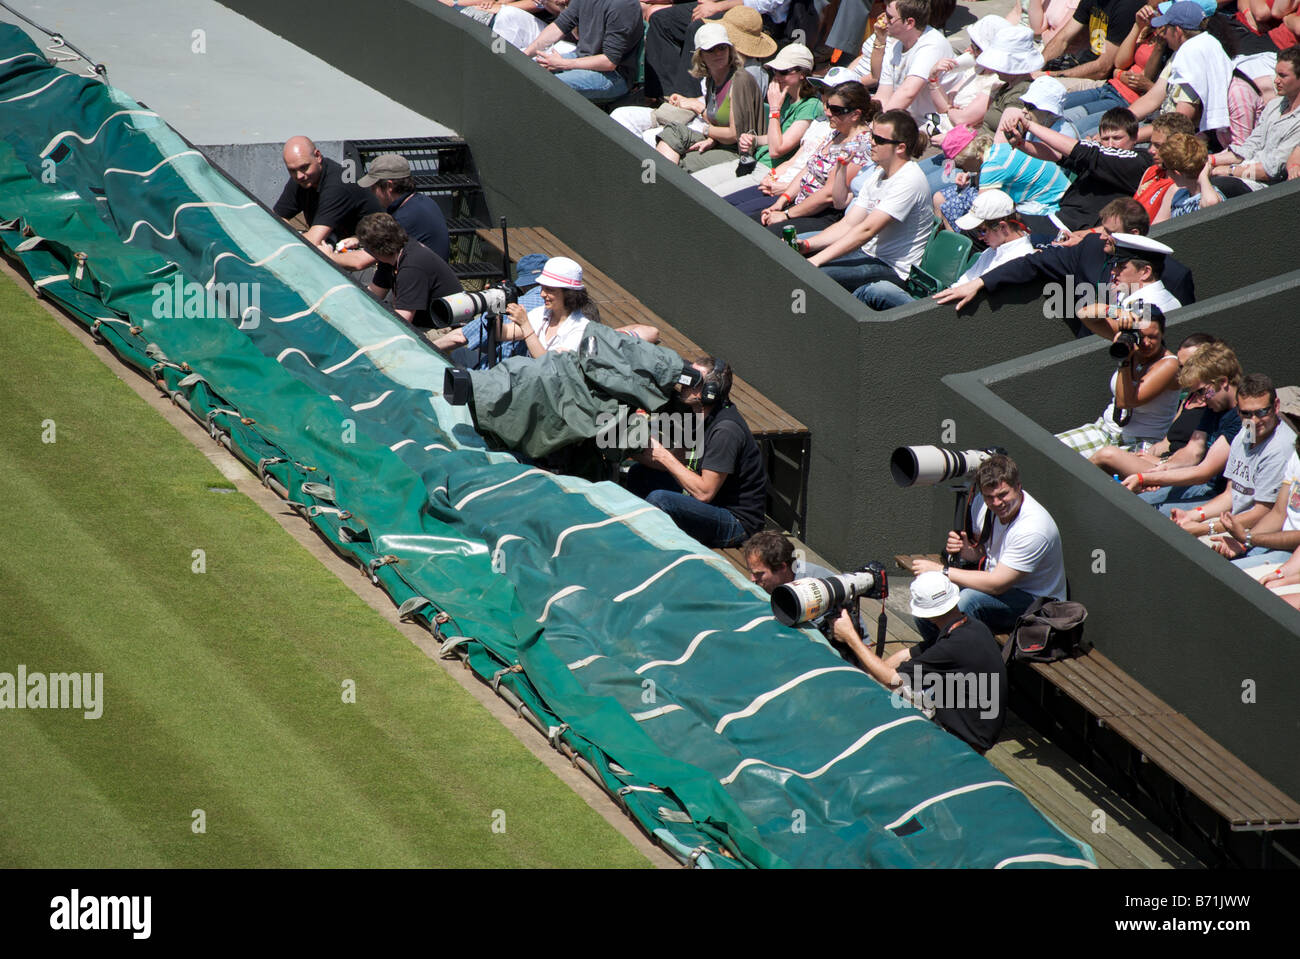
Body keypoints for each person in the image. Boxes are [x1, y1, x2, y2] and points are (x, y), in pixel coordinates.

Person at [831, 571, 1007, 752]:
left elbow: (892, 680)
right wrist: (869, 676)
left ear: (926, 614)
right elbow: (908, 654)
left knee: (880, 709)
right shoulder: (970, 626)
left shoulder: (952, 647)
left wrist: (850, 637)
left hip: (963, 741)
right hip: (979, 729)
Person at [932, 197, 1195, 314]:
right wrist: (980, 282)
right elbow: (1033, 263)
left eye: (1110, 232)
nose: (1101, 235)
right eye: (1103, 229)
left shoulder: (1175, 275)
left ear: (1134, 233)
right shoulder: (1090, 248)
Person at [911, 454, 1068, 640]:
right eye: (989, 497)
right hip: (999, 584)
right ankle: (938, 654)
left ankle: (953, 660)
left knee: (967, 601)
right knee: (929, 597)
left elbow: (996, 585)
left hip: (1037, 602)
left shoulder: (1034, 528)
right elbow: (985, 552)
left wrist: (942, 570)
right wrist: (969, 552)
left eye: (1003, 495)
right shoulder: (982, 504)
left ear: (1018, 487)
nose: (996, 503)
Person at [626, 357, 767, 548]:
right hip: (712, 503)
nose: (683, 383)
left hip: (736, 523)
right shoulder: (699, 415)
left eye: (693, 379)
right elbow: (678, 458)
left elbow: (704, 493)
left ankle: (646, 548)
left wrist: (662, 455)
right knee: (639, 474)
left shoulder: (725, 431)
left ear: (711, 391)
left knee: (661, 500)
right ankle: (633, 532)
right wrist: (630, 449)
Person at [800, 109, 933, 297]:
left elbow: (866, 230)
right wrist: (806, 245)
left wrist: (816, 260)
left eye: (879, 140)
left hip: (891, 268)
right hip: (866, 253)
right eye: (872, 136)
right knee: (791, 248)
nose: (871, 142)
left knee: (814, 274)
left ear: (900, 148)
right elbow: (849, 224)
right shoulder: (879, 173)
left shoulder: (909, 180)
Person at [1165, 374, 1298, 540]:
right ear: (1238, 411)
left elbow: (1262, 513)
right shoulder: (1246, 431)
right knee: (1166, 523)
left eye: (1262, 411)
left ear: (1276, 406)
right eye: (1246, 413)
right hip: (1231, 521)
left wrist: (1204, 528)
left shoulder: (1280, 448)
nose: (1254, 420)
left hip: (1258, 534)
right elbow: (1231, 495)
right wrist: (1192, 515)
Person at [433, 256, 658, 354]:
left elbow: (547, 365)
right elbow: (503, 334)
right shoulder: (543, 313)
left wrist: (526, 326)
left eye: (550, 289)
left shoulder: (580, 328)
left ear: (568, 293)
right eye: (542, 288)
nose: (542, 294)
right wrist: (496, 307)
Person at [1119, 340, 1243, 512]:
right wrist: (1160, 471)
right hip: (1200, 487)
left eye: (1202, 391)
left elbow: (1204, 472)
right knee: (1132, 504)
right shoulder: (1212, 408)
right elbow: (1192, 452)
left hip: (1221, 497)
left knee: (1147, 513)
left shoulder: (1241, 415)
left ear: (1222, 382)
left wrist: (1145, 479)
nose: (1201, 398)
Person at [1056, 294, 1181, 458]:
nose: (1146, 343)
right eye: (1141, 336)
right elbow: (1084, 313)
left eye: (1153, 337)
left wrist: (1125, 361)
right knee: (1050, 449)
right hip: (1105, 430)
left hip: (1140, 443)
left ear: (1162, 335)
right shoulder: (1130, 341)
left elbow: (1126, 402)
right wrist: (1117, 311)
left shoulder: (1169, 364)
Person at [999, 105, 1154, 231]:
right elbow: (1057, 155)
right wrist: (1020, 144)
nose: (1111, 144)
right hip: (1059, 219)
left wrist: (1029, 125)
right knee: (998, 224)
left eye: (1117, 138)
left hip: (1078, 229)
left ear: (1134, 138)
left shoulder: (1138, 160)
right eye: (1105, 138)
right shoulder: (1100, 157)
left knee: (1004, 228)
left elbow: (1080, 151)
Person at [1090, 331, 1219, 478]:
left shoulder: (1214, 401)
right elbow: (1166, 442)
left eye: (1187, 366)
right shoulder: (1191, 397)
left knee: (1107, 455)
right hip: (1162, 460)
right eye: (1181, 366)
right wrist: (1143, 455)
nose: (1181, 373)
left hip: (1175, 469)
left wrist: (1161, 462)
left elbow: (1194, 453)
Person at [757, 81, 877, 233]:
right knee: (748, 222)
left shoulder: (862, 146)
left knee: (765, 235)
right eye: (827, 106)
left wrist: (786, 215)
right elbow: (808, 168)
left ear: (855, 115)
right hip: (797, 204)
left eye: (835, 109)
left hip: (822, 215)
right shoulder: (837, 132)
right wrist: (781, 202)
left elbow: (828, 195)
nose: (827, 112)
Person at [652, 22, 763, 172]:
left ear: (730, 50)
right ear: (701, 56)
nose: (718, 53)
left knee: (685, 162)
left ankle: (661, 184)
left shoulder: (740, 80)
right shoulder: (711, 80)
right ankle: (657, 182)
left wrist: (706, 131)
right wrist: (711, 137)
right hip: (718, 141)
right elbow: (716, 121)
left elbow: (734, 134)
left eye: (722, 48)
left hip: (738, 152)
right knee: (674, 130)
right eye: (710, 50)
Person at [330, 153, 452, 287]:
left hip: (418, 292)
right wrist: (358, 240)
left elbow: (359, 262)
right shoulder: (422, 202)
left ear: (389, 186)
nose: (371, 191)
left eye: (374, 186)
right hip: (422, 281)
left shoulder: (405, 217)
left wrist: (328, 256)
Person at [642, 0, 794, 101]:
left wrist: (717, 6)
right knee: (662, 20)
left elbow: (765, 2)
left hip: (757, 19)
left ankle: (688, 100)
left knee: (699, 28)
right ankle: (664, 97)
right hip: (727, 6)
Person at [742, 531, 864, 647]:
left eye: (759, 574)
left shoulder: (818, 589)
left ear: (782, 567)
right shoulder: (774, 579)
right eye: (751, 572)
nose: (752, 579)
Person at [273, 136, 381, 253]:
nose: (299, 176)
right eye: (292, 170)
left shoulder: (338, 185)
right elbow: (274, 221)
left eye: (304, 167)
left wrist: (284, 241)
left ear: (318, 156)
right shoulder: (302, 179)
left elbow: (313, 241)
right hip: (337, 245)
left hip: (373, 248)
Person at [354, 213, 461, 329]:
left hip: (443, 328)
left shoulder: (411, 266)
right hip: (419, 320)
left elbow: (402, 321)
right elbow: (373, 295)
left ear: (374, 249)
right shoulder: (392, 255)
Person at [521, 0, 643, 103]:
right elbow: (559, 26)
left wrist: (562, 64)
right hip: (580, 59)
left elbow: (609, 62)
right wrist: (526, 55)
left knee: (545, 85)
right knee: (526, 71)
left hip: (615, 77)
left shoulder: (624, 6)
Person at [1210, 47, 1300, 184]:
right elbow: (1248, 148)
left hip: (1263, 186)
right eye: (1276, 74)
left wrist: (1230, 171)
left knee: (1217, 185)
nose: (1276, 81)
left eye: (1283, 75)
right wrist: (1212, 160)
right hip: (1245, 171)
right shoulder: (1273, 106)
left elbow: (1271, 170)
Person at [1212, 432, 1300, 568]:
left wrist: (1247, 538)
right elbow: (1278, 513)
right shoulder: (1297, 455)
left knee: (1221, 572)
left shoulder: (1279, 448)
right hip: (1278, 542)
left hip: (1292, 552)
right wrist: (1243, 544)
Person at [874, 0, 957, 127]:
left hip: (934, 124)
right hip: (907, 120)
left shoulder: (931, 45)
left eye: (890, 17)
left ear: (909, 23)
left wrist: (877, 126)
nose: (884, 21)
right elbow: (883, 95)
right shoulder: (896, 43)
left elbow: (908, 93)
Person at [1038, 0, 1147, 81]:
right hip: (1081, 64)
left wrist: (1052, 75)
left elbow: (1103, 68)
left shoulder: (1128, 6)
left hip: (1102, 80)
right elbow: (1063, 38)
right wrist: (1036, 67)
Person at [1152, 132, 1224, 220]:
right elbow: (1157, 227)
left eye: (1165, 167)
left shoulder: (1211, 196)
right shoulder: (1178, 193)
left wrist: (1203, 177)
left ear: (1176, 172)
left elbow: (1211, 203)